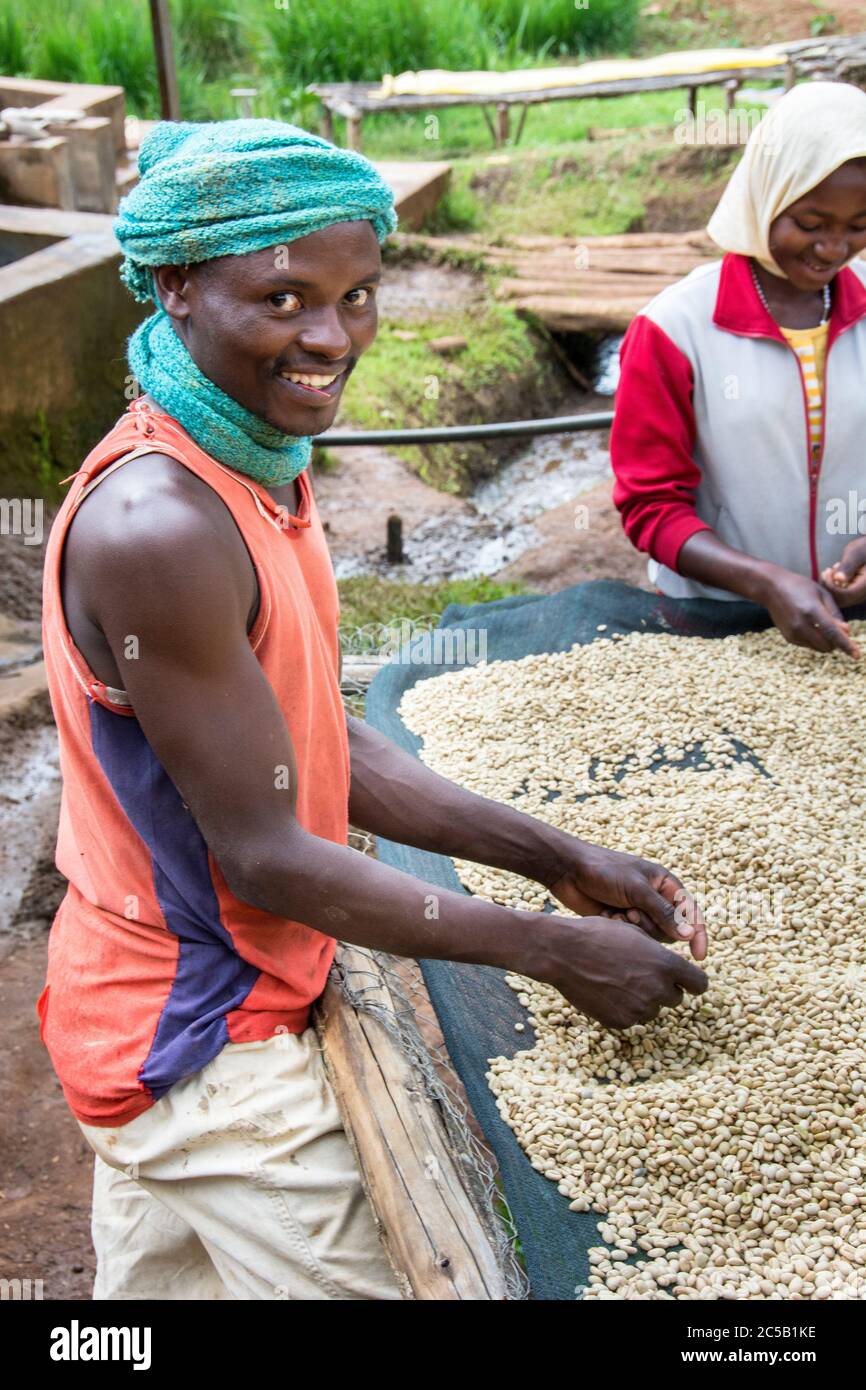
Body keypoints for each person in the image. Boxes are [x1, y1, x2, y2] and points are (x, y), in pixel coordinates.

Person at [38, 119, 707, 1302]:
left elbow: (311, 743)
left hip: (157, 1004)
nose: (332, 338)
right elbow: (268, 853)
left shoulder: (250, 467)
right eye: (284, 297)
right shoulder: (161, 527)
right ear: (178, 287)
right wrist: (553, 953)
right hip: (203, 1040)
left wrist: (558, 855)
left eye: (358, 294)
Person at [610, 81, 866, 657]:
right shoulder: (675, 329)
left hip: (851, 625)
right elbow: (651, 506)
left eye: (858, 225)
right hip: (713, 623)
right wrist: (765, 582)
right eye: (810, 221)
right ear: (765, 197)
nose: (833, 247)